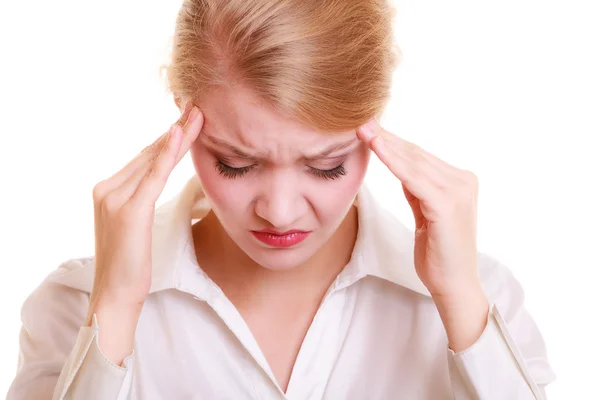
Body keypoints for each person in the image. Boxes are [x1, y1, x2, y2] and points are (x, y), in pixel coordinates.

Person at [7, 0, 556, 399]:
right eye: (236, 163)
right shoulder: (77, 304)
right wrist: (118, 305)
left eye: (326, 166)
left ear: (375, 122)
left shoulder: (483, 304)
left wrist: (461, 299)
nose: (281, 210)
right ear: (183, 113)